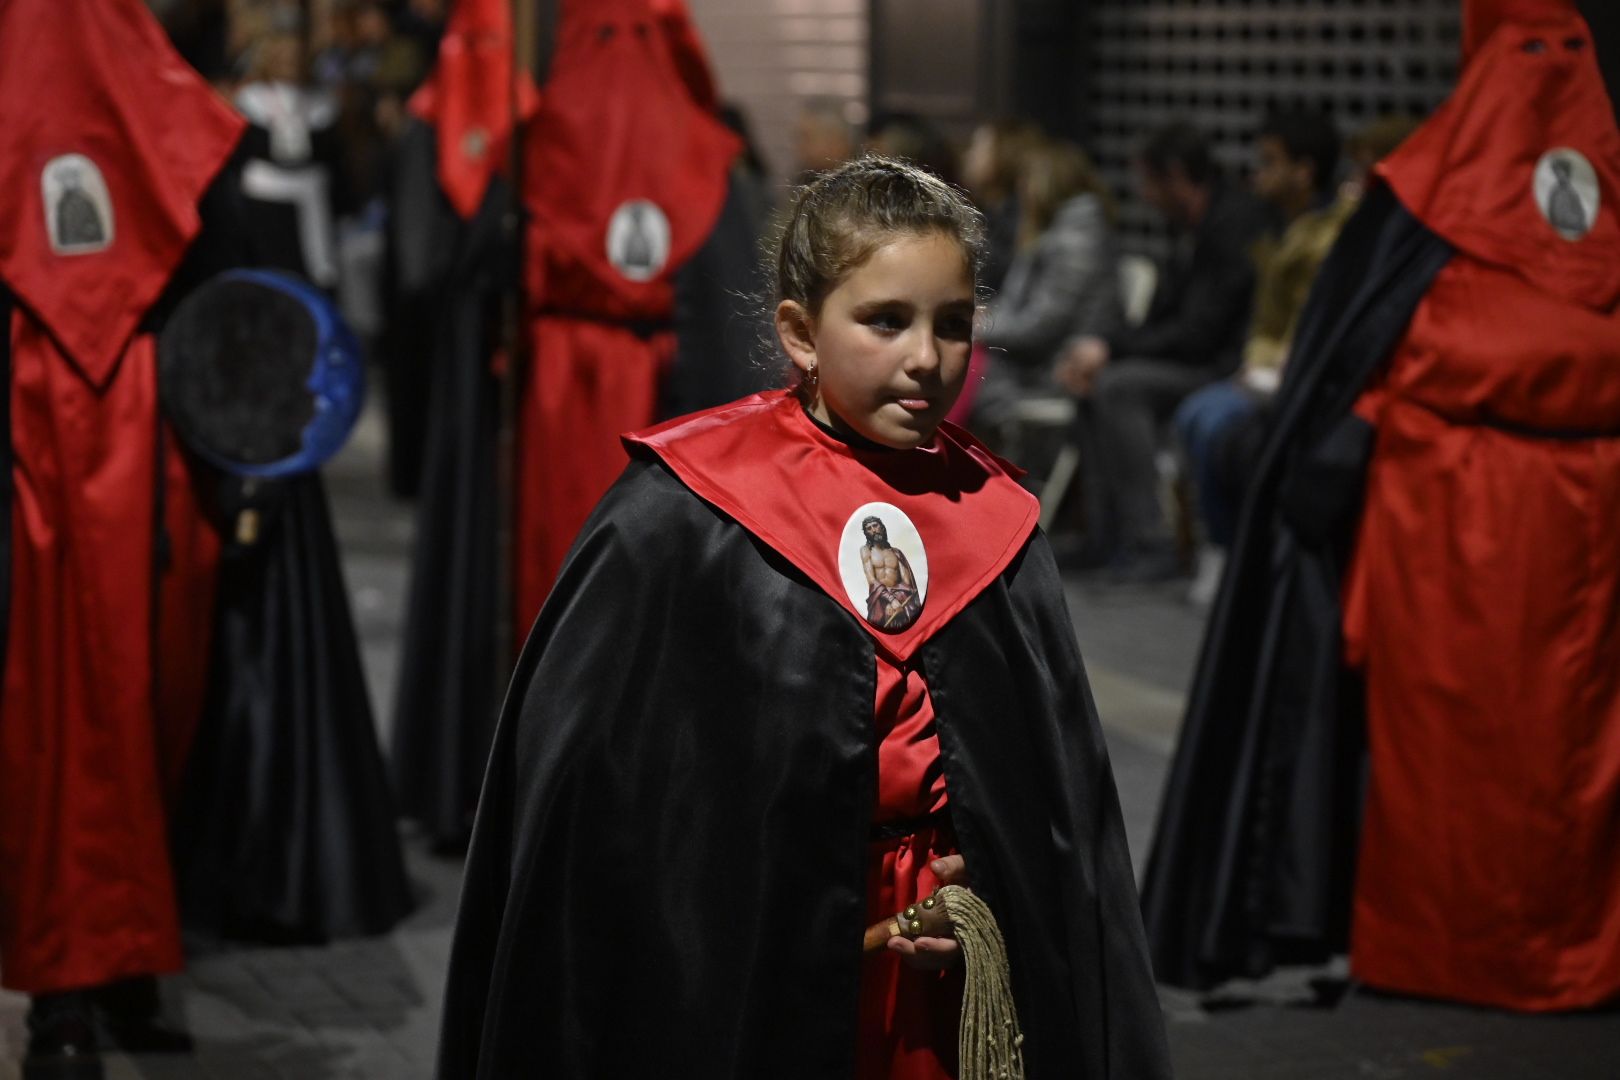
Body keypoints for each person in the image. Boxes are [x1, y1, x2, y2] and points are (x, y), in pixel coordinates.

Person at [437, 156, 1171, 1079]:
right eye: (885, 321)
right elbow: (599, 805)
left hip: (939, 989)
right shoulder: (686, 512)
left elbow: (1053, 813)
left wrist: (987, 885)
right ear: (800, 332)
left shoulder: (998, 519)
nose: (926, 359)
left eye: (953, 325)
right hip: (747, 970)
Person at [1142, 0, 1620, 1012]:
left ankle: (1464, 942)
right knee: (1533, 748)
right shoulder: (1511, 194)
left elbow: (1351, 355)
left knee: (1484, 744)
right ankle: (1534, 943)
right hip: (1514, 522)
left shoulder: (1425, 198)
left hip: (1468, 522)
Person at [1056, 123, 1274, 580]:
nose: (1144, 194)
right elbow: (1163, 321)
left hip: (1227, 369)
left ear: (1175, 175)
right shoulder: (1187, 227)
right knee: (1092, 379)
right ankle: (1106, 536)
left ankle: (1150, 542)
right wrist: (1106, 348)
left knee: (1119, 388)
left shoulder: (1232, 225)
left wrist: (1111, 350)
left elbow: (1199, 335)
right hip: (1193, 360)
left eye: (1148, 181)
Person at [1172, 108, 1348, 606]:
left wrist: (1271, 367)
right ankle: (1222, 546)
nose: (1257, 173)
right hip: (1262, 367)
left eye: (1271, 162)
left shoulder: (1326, 238)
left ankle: (1230, 550)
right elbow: (1266, 321)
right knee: (1197, 416)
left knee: (1211, 422)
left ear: (1304, 171)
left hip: (1297, 377)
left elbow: (1308, 323)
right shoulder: (1276, 227)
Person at [970, 136, 1123, 439]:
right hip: (1031, 359)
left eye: (1026, 180)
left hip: (1053, 367)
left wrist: (978, 327)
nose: (1021, 190)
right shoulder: (1058, 233)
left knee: (964, 375)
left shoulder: (1075, 240)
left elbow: (1043, 325)